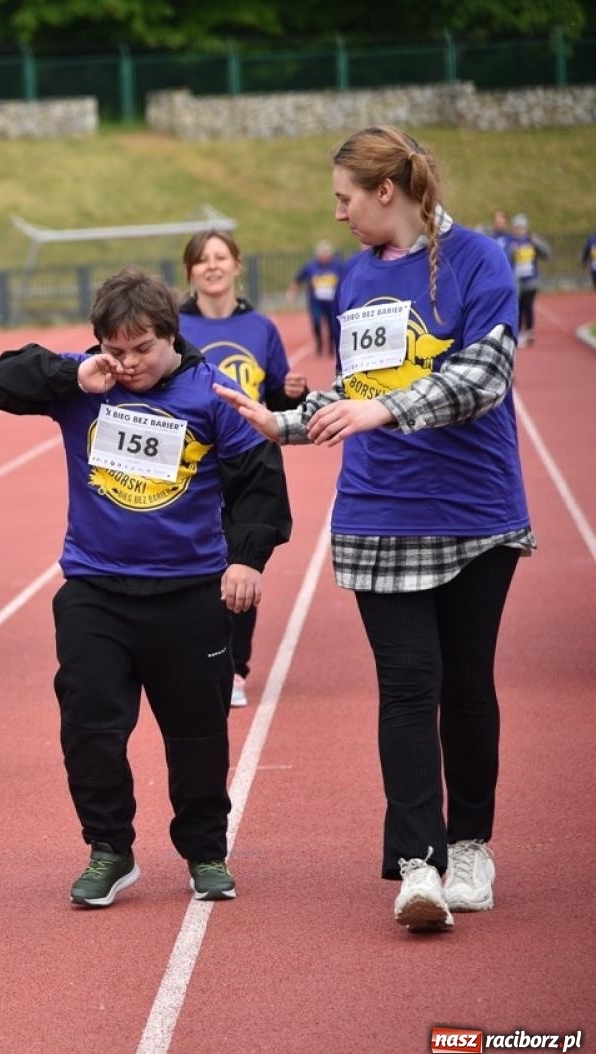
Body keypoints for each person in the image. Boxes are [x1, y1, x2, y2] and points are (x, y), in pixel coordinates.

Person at [215, 125, 533, 933]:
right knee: (407, 684)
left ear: (385, 191)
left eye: (344, 198)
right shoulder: (356, 277)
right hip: (377, 514)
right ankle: (419, 865)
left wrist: (384, 408)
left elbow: (484, 376)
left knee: (466, 684)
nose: (339, 214)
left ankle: (471, 846)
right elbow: (356, 391)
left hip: (474, 514)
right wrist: (282, 422)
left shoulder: (479, 261)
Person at [0, 267, 291, 910]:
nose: (127, 364)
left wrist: (247, 558)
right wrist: (73, 375)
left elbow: (260, 479)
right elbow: (4, 379)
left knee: (197, 734)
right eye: (115, 349)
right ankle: (110, 849)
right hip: (96, 590)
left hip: (190, 593)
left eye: (142, 349)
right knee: (90, 727)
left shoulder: (214, 394)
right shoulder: (86, 382)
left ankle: (206, 851)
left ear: (171, 338)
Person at [180, 229, 306, 710]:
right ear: (189, 270)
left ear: (237, 264)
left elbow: (273, 398)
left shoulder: (260, 327)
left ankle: (233, 666)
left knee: (242, 559)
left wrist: (290, 393)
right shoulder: (172, 326)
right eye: (202, 259)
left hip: (248, 461)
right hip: (190, 463)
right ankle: (193, 657)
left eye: (220, 257)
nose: (212, 266)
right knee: (192, 563)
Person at [286, 240, 344, 358]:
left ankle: (331, 347)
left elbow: (346, 279)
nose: (324, 255)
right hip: (315, 302)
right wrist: (292, 292)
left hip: (332, 302)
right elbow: (298, 279)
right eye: (322, 253)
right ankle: (319, 344)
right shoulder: (311, 266)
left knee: (332, 325)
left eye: (326, 253)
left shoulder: (337, 266)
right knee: (316, 322)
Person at [504, 214, 553, 346]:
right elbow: (505, 260)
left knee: (528, 305)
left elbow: (547, 254)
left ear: (525, 228)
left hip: (531, 280)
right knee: (518, 307)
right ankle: (519, 332)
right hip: (517, 281)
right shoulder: (510, 242)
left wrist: (537, 243)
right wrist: (511, 251)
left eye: (521, 227)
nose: (518, 230)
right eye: (516, 227)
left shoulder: (531, 240)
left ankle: (530, 331)